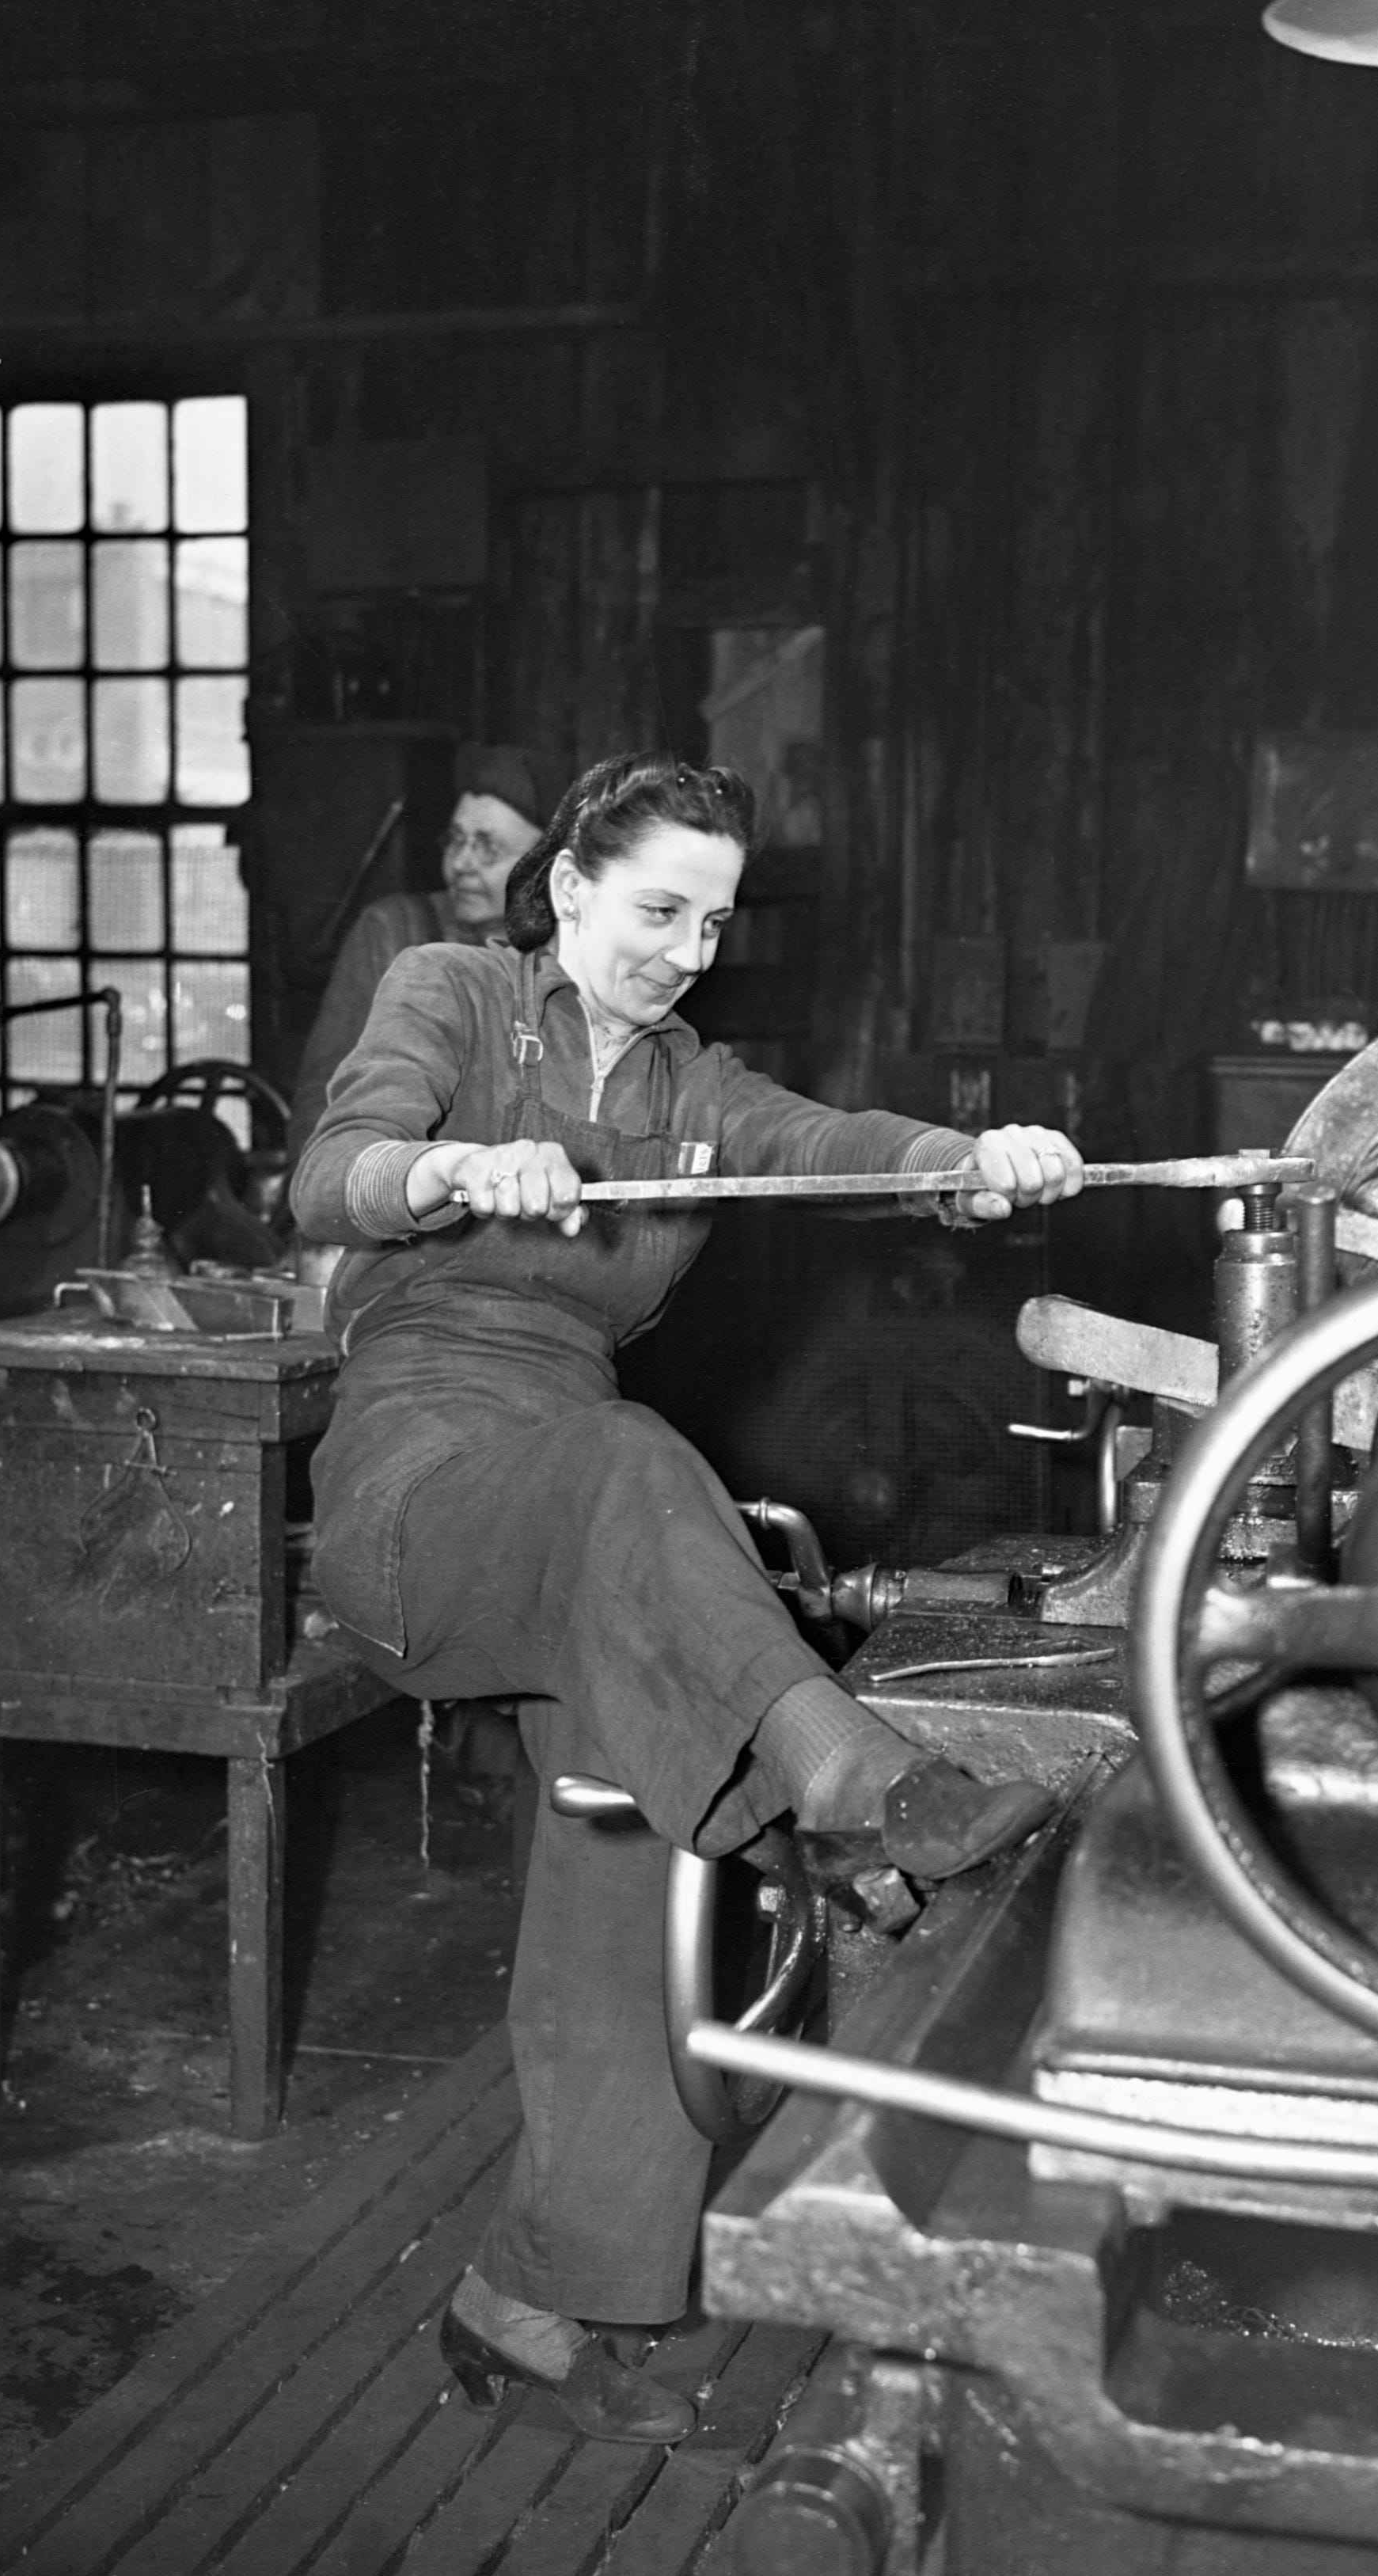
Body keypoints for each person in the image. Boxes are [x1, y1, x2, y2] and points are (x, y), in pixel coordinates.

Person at [290, 752, 1087, 2445]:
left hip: (592, 1534)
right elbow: (332, 1164)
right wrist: (433, 1178)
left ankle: (536, 2299)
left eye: (712, 923)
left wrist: (968, 1155)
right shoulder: (453, 995)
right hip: (419, 1485)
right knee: (635, 1456)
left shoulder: (691, 1085)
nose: (683, 950)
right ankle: (864, 1786)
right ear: (568, 889)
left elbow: (828, 1141)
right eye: (656, 910)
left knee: (617, 1874)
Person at [283, 743, 552, 1165]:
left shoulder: (567, 952)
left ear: (547, 865)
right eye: (457, 840)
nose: (461, 863)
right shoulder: (391, 932)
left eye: (488, 848)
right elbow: (323, 1097)